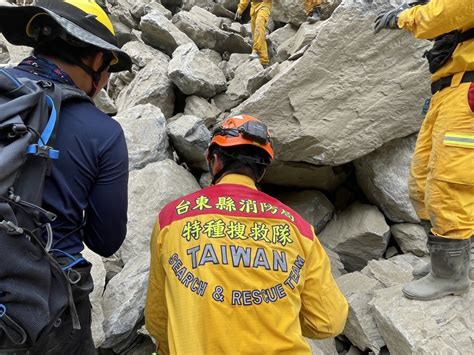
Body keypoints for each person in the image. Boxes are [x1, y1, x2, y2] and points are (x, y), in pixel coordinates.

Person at [145, 114, 348, 354]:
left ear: (215, 160)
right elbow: (328, 321)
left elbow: (158, 319)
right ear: (261, 171)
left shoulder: (172, 218)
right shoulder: (297, 227)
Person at [0, 0, 132, 352]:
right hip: (50, 303)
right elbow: (106, 240)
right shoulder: (103, 133)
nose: (105, 82)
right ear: (93, 59)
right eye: (108, 68)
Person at [374, 0, 473, 301]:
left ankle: (451, 275)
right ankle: (444, 259)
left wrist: (405, 17)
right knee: (421, 179)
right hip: (448, 91)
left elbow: (446, 13)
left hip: (465, 93)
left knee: (449, 181)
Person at [235, 0, 271, 66]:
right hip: (254, 8)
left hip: (264, 5)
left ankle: (256, 50)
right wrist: (241, 8)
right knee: (257, 33)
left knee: (259, 25)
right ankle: (264, 61)